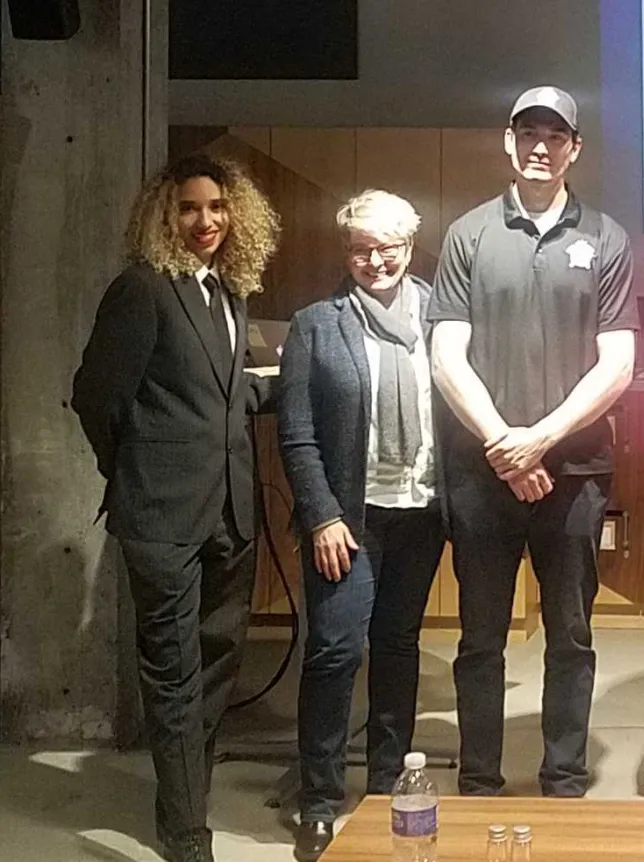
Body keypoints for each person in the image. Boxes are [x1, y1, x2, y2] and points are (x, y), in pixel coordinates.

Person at [429, 86, 637, 798]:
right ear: (508, 142)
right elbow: (446, 355)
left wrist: (539, 441)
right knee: (480, 637)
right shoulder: (469, 235)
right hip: (482, 473)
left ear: (574, 148)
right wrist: (503, 445)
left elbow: (618, 364)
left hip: (574, 473)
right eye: (528, 134)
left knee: (570, 634)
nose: (540, 147)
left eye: (554, 136)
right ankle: (478, 780)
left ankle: (564, 779)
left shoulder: (606, 238)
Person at [71, 153, 281, 862]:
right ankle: (187, 831)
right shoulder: (141, 289)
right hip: (161, 517)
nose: (205, 221)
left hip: (231, 513)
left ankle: (185, 790)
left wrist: (278, 385)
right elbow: (96, 396)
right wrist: (132, 470)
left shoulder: (228, 290)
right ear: (164, 214)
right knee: (173, 672)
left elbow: (219, 391)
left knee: (219, 662)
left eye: (217, 207)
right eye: (189, 208)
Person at [278, 190, 444, 861]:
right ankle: (319, 800)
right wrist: (320, 515)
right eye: (361, 249)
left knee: (398, 648)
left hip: (421, 510)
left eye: (389, 248)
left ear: (410, 246)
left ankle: (386, 788)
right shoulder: (317, 324)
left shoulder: (441, 314)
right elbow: (296, 433)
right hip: (348, 517)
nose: (376, 261)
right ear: (345, 252)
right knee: (335, 650)